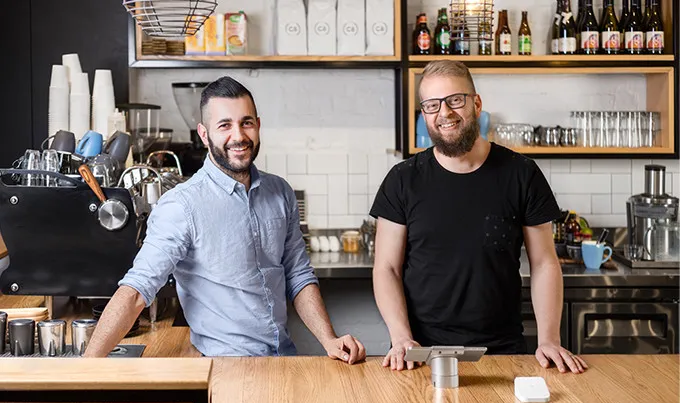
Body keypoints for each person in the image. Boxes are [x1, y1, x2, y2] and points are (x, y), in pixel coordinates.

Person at [84, 76, 366, 363]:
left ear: (258, 125)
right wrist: (88, 368)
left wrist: (329, 339)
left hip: (284, 358)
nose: (239, 136)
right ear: (204, 135)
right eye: (225, 125)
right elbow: (136, 290)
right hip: (225, 365)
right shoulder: (182, 206)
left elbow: (298, 275)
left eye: (246, 123)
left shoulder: (280, 192)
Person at [370, 60, 587, 374]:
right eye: (432, 105)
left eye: (455, 100)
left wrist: (549, 338)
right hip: (419, 353)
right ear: (424, 114)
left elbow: (544, 263)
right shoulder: (402, 180)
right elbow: (386, 268)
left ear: (476, 103)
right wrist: (401, 336)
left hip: (502, 352)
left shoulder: (521, 174)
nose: (444, 113)